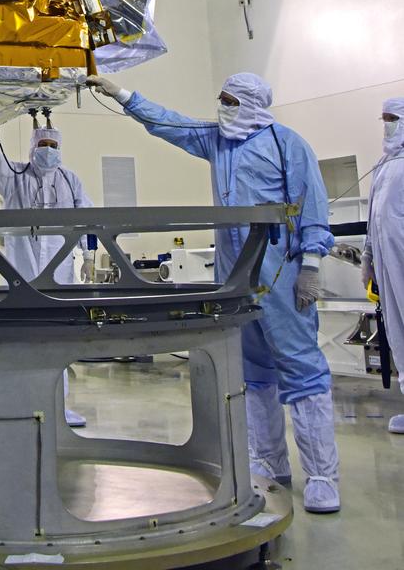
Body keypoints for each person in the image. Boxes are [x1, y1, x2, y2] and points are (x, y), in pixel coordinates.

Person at [89, 72, 340, 514]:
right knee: (254, 373)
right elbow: (170, 124)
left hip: (281, 274)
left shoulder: (287, 144)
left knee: (301, 370)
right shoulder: (217, 140)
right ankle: (269, 464)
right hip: (235, 279)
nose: (221, 106)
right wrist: (124, 96)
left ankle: (322, 475)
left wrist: (312, 265)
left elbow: (313, 204)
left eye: (229, 100)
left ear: (250, 104)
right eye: (219, 99)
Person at [0, 124, 95, 427]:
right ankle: (19, 403)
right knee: (22, 336)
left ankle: (58, 406)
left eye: (52, 145)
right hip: (22, 269)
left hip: (61, 273)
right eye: (42, 144)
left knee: (58, 338)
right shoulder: (15, 177)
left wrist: (90, 254)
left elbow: (89, 218)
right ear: (32, 147)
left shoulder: (71, 181)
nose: (47, 150)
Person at [361, 97, 404, 433]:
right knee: (397, 330)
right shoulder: (383, 165)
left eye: (393, 118)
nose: (387, 125)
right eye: (384, 118)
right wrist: (368, 256)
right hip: (389, 264)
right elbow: (373, 218)